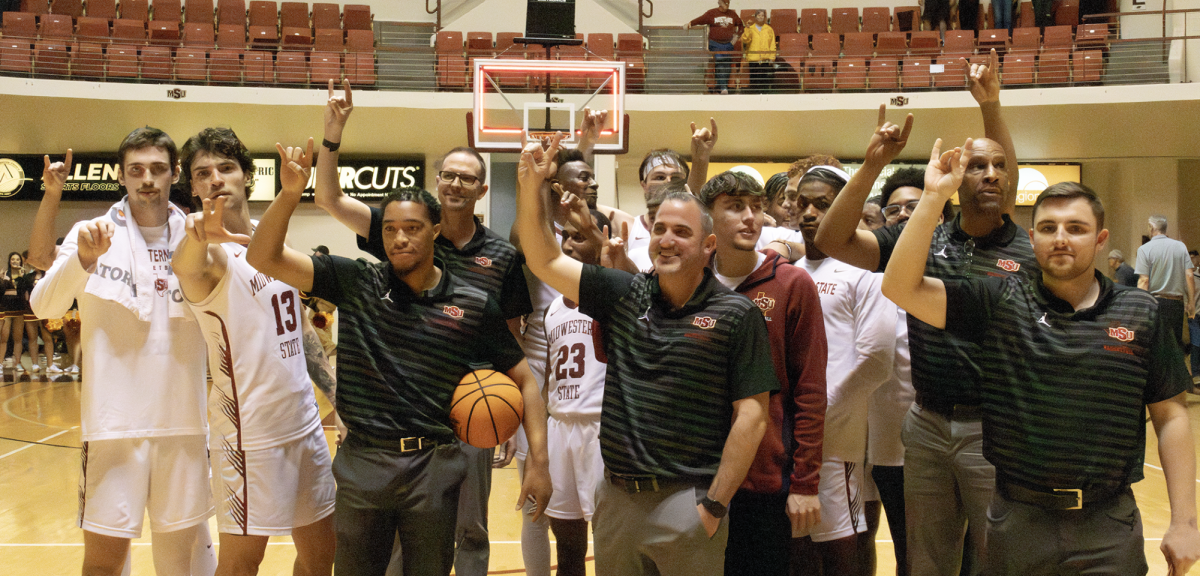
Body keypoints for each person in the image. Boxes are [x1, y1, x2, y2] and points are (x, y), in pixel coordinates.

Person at [880, 154, 1200, 574]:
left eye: (1076, 228)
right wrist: (933, 198)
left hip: (1108, 523)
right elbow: (900, 286)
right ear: (1032, 239)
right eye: (1048, 228)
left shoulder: (1140, 311)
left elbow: (1170, 414)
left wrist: (1185, 521)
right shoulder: (1000, 301)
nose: (1061, 238)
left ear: (1101, 239)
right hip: (1018, 522)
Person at [247, 143, 552, 576]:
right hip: (364, 464)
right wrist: (289, 195)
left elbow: (526, 380)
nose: (399, 239)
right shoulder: (356, 280)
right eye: (390, 230)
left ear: (435, 231)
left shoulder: (471, 303)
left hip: (434, 467)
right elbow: (262, 257)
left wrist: (538, 463)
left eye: (411, 228)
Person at [517, 134, 776, 575]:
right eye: (659, 229)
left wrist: (713, 504)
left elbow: (752, 417)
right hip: (616, 500)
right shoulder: (623, 293)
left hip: (688, 501)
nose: (667, 241)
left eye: (682, 232)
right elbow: (543, 260)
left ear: (709, 245)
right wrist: (529, 186)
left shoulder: (737, 314)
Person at [813, 53, 1025, 576]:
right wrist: (871, 166)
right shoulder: (919, 242)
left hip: (994, 425)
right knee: (926, 562)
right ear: (955, 175)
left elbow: (1004, 174)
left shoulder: (1025, 249)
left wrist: (991, 105)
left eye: (998, 168)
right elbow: (831, 239)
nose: (990, 175)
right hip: (926, 423)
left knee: (996, 560)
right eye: (976, 165)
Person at [312, 81, 533, 576]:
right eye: (448, 175)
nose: (455, 184)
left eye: (467, 178)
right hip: (403, 409)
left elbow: (512, 337)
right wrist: (333, 133)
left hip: (472, 402)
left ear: (482, 189)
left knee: (472, 527)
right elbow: (328, 197)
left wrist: (506, 407)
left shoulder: (502, 256)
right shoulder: (403, 232)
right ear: (438, 182)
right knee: (395, 539)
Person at [30, 126, 216, 576]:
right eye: (136, 170)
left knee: (184, 562)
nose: (146, 179)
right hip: (113, 427)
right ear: (121, 175)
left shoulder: (198, 236)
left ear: (175, 174)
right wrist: (82, 261)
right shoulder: (90, 233)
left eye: (157, 169)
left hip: (185, 428)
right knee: (105, 563)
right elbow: (45, 305)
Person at [171, 127, 337, 576]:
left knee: (321, 556)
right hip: (250, 437)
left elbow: (300, 330)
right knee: (243, 563)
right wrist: (196, 238)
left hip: (303, 426)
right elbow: (184, 268)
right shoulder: (206, 256)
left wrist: (339, 401)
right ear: (192, 187)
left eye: (226, 168)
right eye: (202, 173)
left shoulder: (271, 237)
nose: (215, 179)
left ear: (246, 176)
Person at [696, 171, 828, 576]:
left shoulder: (792, 283)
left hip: (764, 479)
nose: (750, 217)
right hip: (693, 474)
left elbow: (810, 388)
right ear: (708, 219)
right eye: (735, 207)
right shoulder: (689, 279)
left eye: (755, 207)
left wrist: (805, 482)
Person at [789, 165, 897, 575]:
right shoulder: (788, 274)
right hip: (792, 444)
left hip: (836, 446)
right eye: (803, 203)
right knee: (796, 556)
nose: (810, 212)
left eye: (823, 204)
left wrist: (817, 416)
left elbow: (875, 363)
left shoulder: (866, 275)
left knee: (842, 555)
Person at [538, 200, 611, 576]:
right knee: (566, 544)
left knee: (611, 544)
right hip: (560, 429)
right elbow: (551, 373)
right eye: (565, 236)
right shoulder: (553, 309)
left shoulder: (615, 296)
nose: (568, 246)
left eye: (579, 237)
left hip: (602, 430)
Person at [1136, 215, 1195, 351]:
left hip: (1155, 303)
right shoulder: (1180, 247)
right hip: (1176, 304)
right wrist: (1191, 302)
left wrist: (1139, 305)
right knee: (1174, 347)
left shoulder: (1144, 249)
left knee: (1156, 347)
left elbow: (1144, 280)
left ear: (1151, 228)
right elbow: (1189, 275)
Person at [686, 0, 743, 94]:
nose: (727, 5)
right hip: (715, 44)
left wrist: (736, 37)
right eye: (725, 3)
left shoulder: (733, 14)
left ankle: (722, 87)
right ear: (720, 3)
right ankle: (723, 87)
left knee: (727, 65)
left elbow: (741, 26)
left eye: (728, 3)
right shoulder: (712, 13)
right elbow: (701, 20)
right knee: (720, 62)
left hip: (728, 44)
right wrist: (691, 23)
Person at [740, 9, 776, 93]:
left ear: (765, 17)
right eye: (759, 15)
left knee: (765, 84)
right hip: (754, 59)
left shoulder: (769, 29)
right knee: (754, 83)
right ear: (755, 17)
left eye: (762, 15)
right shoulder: (750, 28)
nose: (760, 17)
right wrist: (747, 28)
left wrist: (772, 57)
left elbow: (772, 44)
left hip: (765, 59)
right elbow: (745, 40)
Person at [2, 252, 24, 369]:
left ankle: (18, 363)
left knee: (18, 338)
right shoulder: (5, 274)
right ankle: (0, 363)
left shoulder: (24, 276)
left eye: (17, 259)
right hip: (7, 308)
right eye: (12, 259)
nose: (15, 261)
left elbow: (24, 292)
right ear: (9, 261)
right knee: (4, 337)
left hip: (19, 308)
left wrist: (22, 277)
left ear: (21, 261)